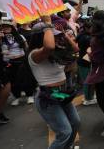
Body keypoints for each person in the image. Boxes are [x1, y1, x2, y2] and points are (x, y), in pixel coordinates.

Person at [28, 15, 80, 149]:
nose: (56, 38)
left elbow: (75, 49)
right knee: (64, 132)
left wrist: (64, 34)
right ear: (41, 37)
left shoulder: (57, 52)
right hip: (48, 98)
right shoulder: (34, 54)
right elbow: (49, 47)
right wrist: (47, 25)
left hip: (63, 94)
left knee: (75, 123)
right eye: (53, 35)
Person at [0, 20, 33, 106]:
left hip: (21, 60)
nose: (6, 28)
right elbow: (0, 50)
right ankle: (17, 97)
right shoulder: (1, 38)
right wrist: (0, 39)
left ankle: (30, 95)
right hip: (10, 62)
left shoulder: (20, 36)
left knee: (25, 78)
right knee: (13, 80)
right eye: (3, 27)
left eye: (7, 27)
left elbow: (26, 47)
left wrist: (27, 58)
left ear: (12, 28)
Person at [76, 21, 97, 106]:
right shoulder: (87, 38)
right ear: (87, 28)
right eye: (91, 28)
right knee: (87, 80)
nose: (93, 30)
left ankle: (88, 96)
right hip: (85, 61)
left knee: (86, 79)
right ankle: (88, 99)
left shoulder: (81, 35)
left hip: (82, 60)